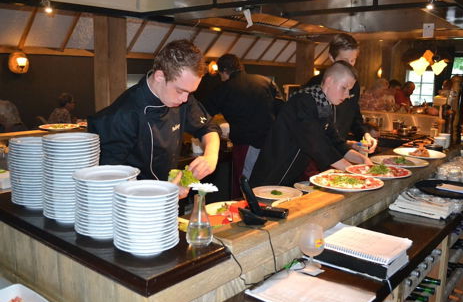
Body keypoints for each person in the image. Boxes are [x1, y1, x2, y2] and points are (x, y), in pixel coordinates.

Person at [88, 40, 221, 198]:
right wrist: (162, 192)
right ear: (160, 76)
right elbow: (107, 179)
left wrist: (211, 156)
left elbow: (207, 127)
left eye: (190, 93)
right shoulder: (124, 114)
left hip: (167, 199)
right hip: (134, 206)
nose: (185, 99)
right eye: (180, 91)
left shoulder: (182, 97)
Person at [250, 61, 373, 187]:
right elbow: (316, 144)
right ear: (329, 81)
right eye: (344, 88)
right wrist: (352, 170)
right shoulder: (303, 102)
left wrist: (363, 160)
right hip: (270, 177)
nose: (347, 95)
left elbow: (336, 142)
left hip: (290, 179)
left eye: (349, 90)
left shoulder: (323, 105)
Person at [203, 54, 283, 197]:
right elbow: (281, 109)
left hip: (247, 145)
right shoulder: (266, 81)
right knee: (267, 184)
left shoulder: (223, 89)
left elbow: (203, 115)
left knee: (246, 185)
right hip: (273, 143)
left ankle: (244, 214)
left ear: (223, 71)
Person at [305, 33, 377, 153]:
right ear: (331, 58)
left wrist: (364, 134)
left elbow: (354, 116)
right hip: (316, 154)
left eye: (353, 60)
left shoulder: (354, 85)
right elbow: (315, 132)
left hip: (338, 149)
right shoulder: (316, 86)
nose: (349, 65)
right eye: (344, 61)